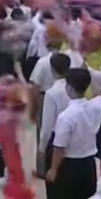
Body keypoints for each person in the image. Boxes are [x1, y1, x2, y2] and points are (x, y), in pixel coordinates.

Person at [46, 68, 101, 199]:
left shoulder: (66, 116)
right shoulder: (97, 106)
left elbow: (59, 147)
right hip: (89, 165)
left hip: (70, 166)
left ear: (70, 89)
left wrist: (53, 169)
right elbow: (99, 94)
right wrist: (90, 76)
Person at [39, 52, 71, 189]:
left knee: (55, 182)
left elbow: (47, 125)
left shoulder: (52, 93)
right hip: (73, 136)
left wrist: (41, 147)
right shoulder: (74, 87)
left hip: (55, 137)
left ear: (52, 69)